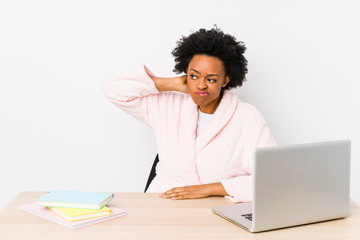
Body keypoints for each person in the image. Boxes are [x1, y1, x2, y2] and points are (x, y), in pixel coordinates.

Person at [102, 27, 277, 203]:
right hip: (162, 204)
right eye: (194, 76)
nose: (200, 85)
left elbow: (272, 179)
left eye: (211, 79)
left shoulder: (247, 118)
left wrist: (207, 189)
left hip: (218, 209)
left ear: (225, 80)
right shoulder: (168, 105)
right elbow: (113, 90)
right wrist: (174, 83)